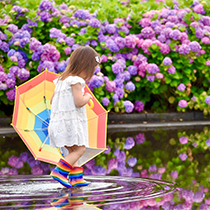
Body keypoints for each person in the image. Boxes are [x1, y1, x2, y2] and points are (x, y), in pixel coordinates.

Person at [49, 45, 100, 188]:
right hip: (71, 124)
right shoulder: (76, 81)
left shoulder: (60, 80)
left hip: (59, 124)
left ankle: (76, 178)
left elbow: (53, 101)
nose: (91, 74)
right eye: (92, 70)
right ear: (85, 66)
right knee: (80, 150)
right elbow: (79, 102)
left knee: (72, 150)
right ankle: (60, 172)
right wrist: (87, 96)